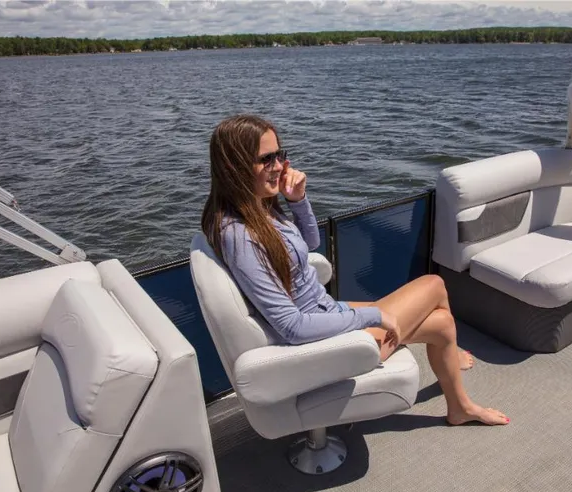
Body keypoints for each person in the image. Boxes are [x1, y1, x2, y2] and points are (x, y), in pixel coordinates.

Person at [200, 114, 509, 426]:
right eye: (266, 159)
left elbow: (308, 244)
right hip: (316, 341)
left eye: (280, 155)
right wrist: (373, 316)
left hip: (324, 312)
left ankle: (454, 379)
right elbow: (292, 327)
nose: (279, 166)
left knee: (441, 315)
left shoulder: (258, 209)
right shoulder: (240, 236)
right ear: (234, 166)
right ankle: (457, 390)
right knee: (436, 296)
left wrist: (298, 201)